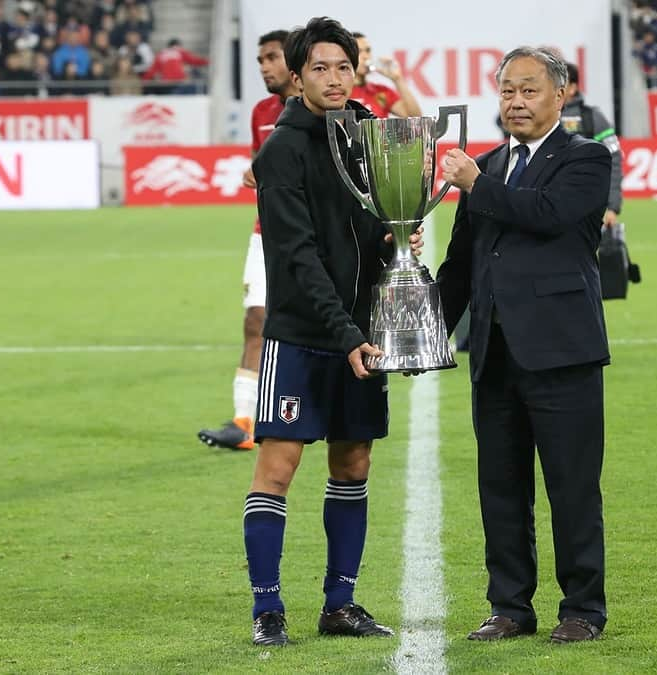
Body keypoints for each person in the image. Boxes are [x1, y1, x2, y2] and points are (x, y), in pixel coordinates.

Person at [243, 16, 421, 646]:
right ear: (297, 77)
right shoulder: (281, 151)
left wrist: (396, 237)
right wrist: (347, 335)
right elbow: (296, 255)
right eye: (320, 68)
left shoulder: (365, 133)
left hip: (360, 334)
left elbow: (367, 229)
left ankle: (339, 604)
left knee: (353, 463)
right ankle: (268, 610)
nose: (334, 78)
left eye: (343, 67)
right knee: (279, 467)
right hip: (302, 335)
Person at [437, 46, 611, 645]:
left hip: (563, 352)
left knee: (572, 487)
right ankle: (510, 607)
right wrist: (419, 333)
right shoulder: (484, 167)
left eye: (529, 90)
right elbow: (460, 265)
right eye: (507, 89)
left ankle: (583, 609)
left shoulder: (586, 159)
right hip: (494, 353)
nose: (515, 101)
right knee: (501, 488)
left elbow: (548, 213)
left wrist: (477, 183)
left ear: (560, 95)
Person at [197, 29, 299, 451]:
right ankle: (244, 422)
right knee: (255, 320)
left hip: (312, 239)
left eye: (271, 58)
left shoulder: (327, 111)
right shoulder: (261, 112)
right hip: (266, 234)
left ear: (294, 63)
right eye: (259, 60)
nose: (263, 67)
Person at [558, 62, 623, 228]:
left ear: (572, 88)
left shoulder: (593, 118)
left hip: (588, 208)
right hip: (548, 206)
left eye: (560, 84)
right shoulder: (540, 118)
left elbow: (613, 160)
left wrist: (612, 206)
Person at [350, 31, 421, 117]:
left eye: (368, 51)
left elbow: (415, 118)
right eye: (359, 51)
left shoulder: (381, 91)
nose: (366, 56)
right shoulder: (340, 93)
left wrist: (398, 79)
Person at [141, 37, 208, 94]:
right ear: (178, 45)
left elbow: (152, 70)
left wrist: (144, 81)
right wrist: (208, 61)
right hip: (178, 82)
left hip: (166, 84)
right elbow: (194, 60)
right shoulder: (179, 51)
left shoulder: (161, 54)